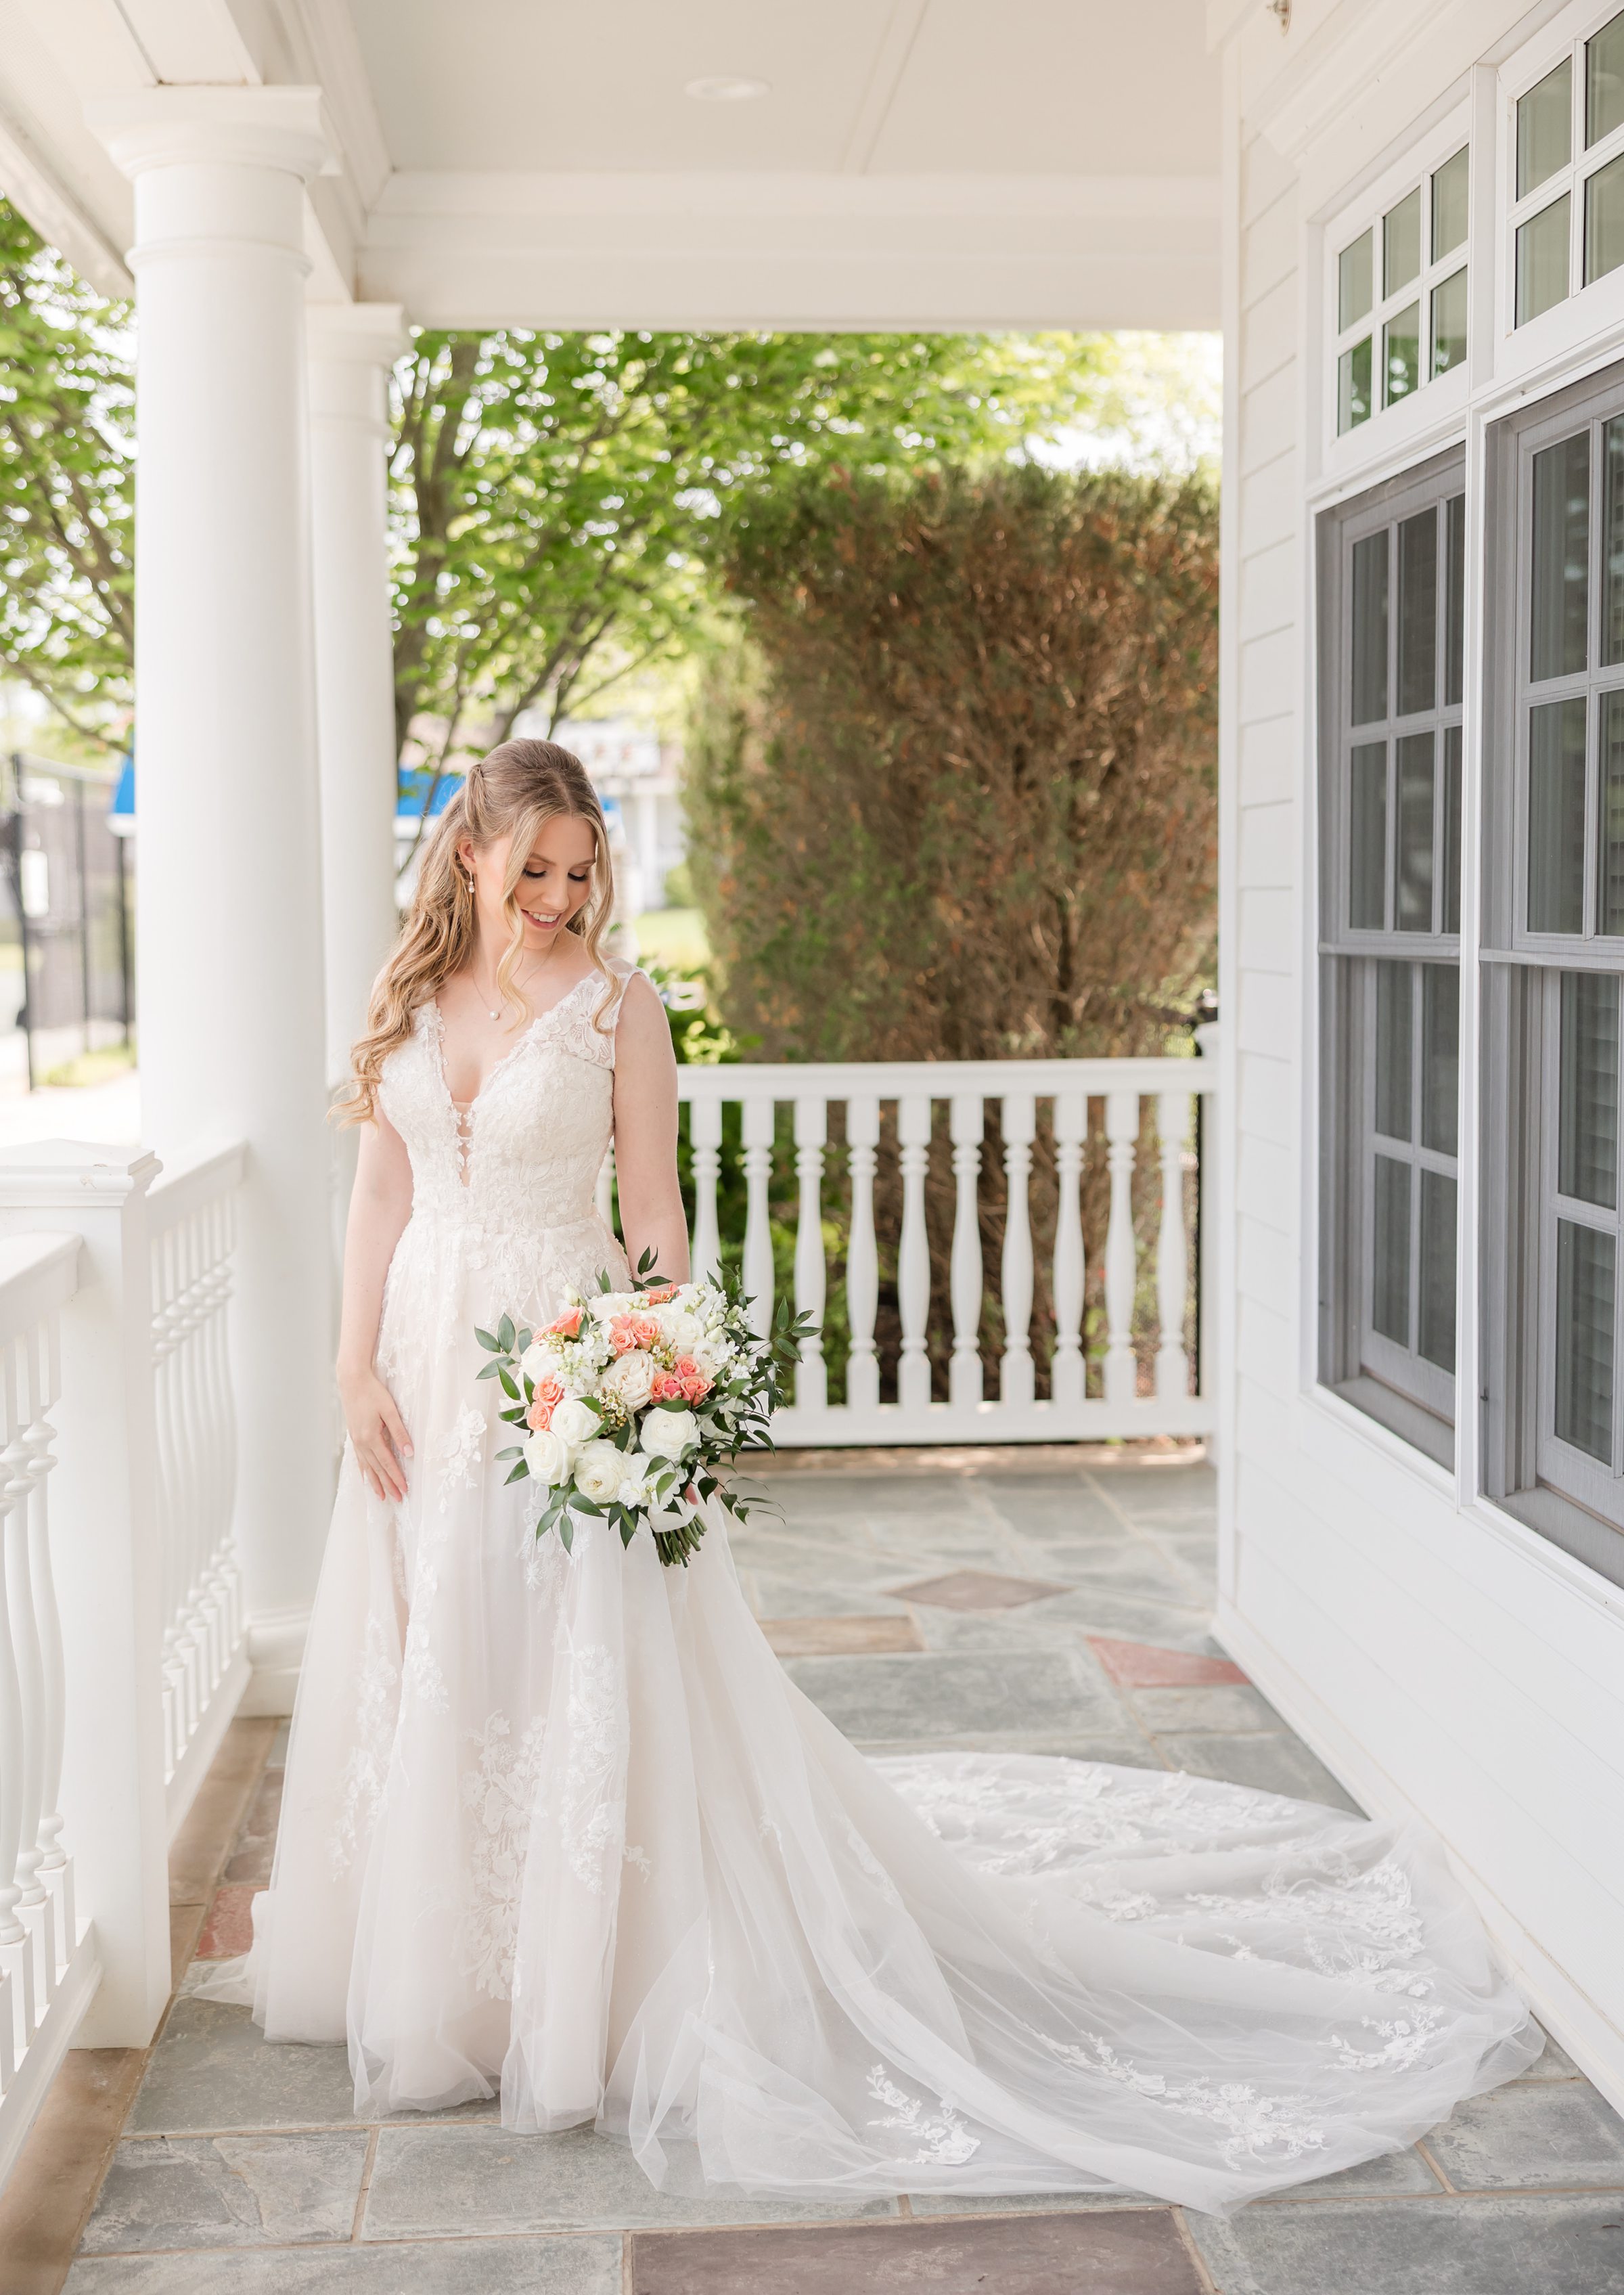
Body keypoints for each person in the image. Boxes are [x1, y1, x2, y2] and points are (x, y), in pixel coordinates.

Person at [217, 737, 1537, 2214]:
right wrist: (349, 1372)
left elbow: (650, 1207)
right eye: (536, 872)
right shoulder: (411, 1000)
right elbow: (384, 1188)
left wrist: (664, 1387)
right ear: (470, 856)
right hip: (417, 1371)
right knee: (439, 1651)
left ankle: (580, 1990)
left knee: (564, 1660)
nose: (562, 899)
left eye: (584, 872)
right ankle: (447, 1974)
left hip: (562, 1363)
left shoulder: (619, 1010)